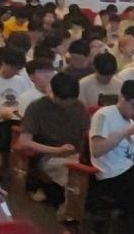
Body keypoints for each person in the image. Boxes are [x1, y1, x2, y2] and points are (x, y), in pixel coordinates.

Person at [70, 80, 134, 234]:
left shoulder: (133, 125)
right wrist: (126, 133)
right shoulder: (104, 115)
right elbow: (97, 150)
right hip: (109, 175)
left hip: (128, 171)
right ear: (122, 98)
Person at [16, 73, 87, 206]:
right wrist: (56, 150)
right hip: (48, 156)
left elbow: (85, 133)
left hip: (75, 154)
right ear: (53, 93)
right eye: (63, 101)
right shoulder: (37, 108)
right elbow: (23, 142)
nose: (67, 105)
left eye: (71, 102)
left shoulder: (79, 107)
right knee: (72, 174)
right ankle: (69, 207)